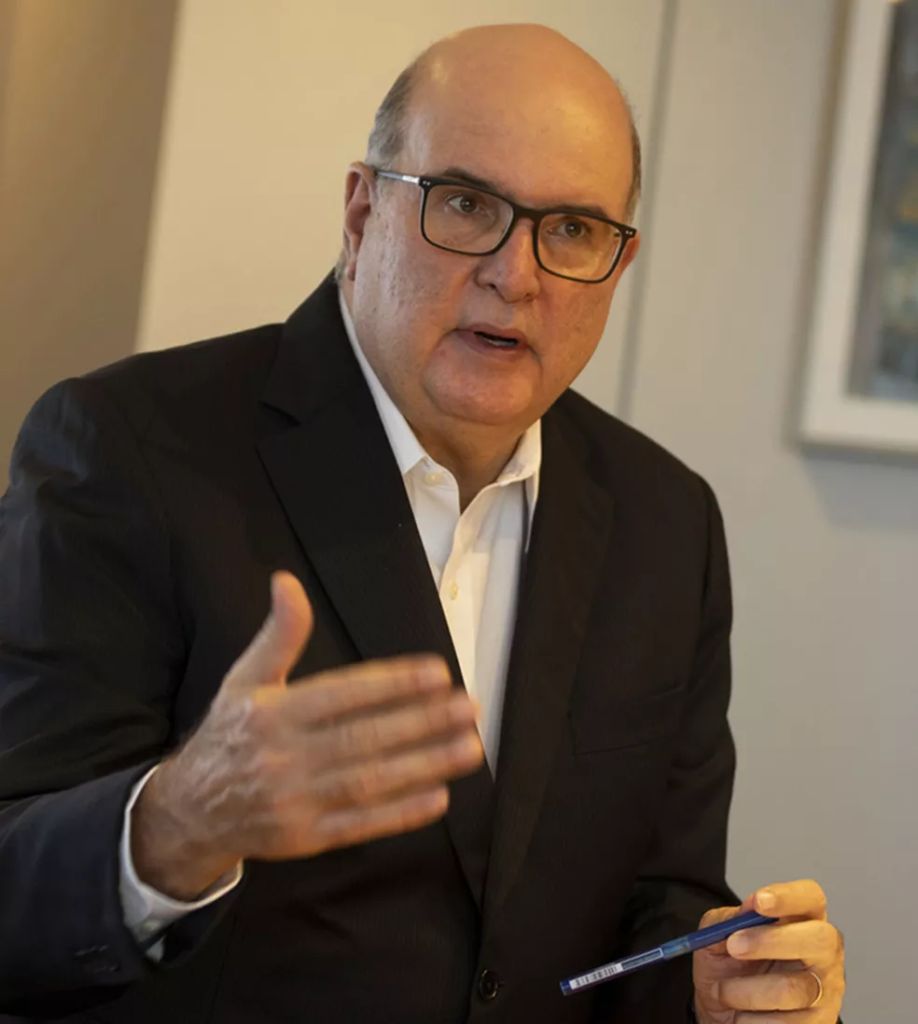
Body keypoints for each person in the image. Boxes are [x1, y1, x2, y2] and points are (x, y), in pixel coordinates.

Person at [0, 22, 844, 1024]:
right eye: (467, 205)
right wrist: (172, 826)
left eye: (573, 229)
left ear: (618, 267)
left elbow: (655, 906)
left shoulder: (668, 520)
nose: (516, 274)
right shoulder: (127, 448)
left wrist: (716, 985)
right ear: (362, 214)